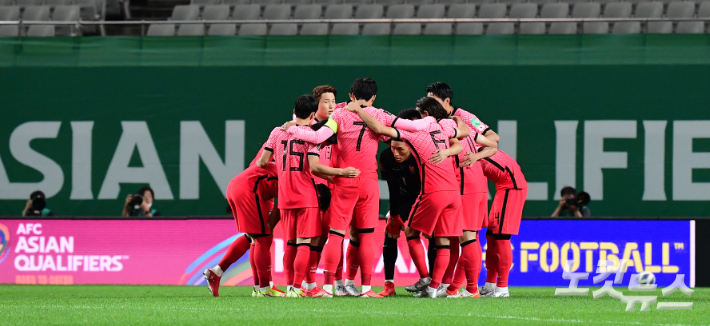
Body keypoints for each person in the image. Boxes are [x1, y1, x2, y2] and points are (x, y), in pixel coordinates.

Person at [284, 78, 438, 298]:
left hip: (345, 179)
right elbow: (412, 126)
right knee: (366, 236)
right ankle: (365, 288)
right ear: (374, 97)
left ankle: (328, 287)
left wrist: (292, 129)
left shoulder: (338, 115)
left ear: (352, 95)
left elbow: (318, 136)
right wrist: (432, 120)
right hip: (368, 182)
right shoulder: (380, 115)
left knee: (336, 235)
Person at [345, 97, 472, 298]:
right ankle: (433, 287)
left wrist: (359, 111)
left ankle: (426, 279)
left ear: (424, 114)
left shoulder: (414, 133)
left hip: (433, 192)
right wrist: (455, 118)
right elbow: (464, 131)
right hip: (453, 193)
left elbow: (380, 128)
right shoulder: (443, 127)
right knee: (443, 241)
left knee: (411, 231)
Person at [257, 94, 360, 298]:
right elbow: (314, 168)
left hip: (285, 197)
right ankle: (299, 288)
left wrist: (284, 170)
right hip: (305, 196)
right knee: (304, 243)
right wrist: (340, 173)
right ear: (313, 114)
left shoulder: (277, 132)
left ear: (295, 111)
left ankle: (289, 288)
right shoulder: (311, 135)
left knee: (290, 243)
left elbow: (262, 163)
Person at [377, 109, 439, 297]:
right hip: (402, 198)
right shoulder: (387, 157)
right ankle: (389, 284)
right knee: (390, 233)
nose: (395, 153)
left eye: (400, 150)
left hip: (426, 197)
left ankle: (433, 283)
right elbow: (393, 187)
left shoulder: (423, 156)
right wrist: (394, 215)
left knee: (434, 238)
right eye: (392, 148)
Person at [460, 143, 528, 298]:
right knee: (491, 236)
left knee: (501, 237)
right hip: (504, 187)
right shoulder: (476, 145)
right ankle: (490, 285)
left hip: (511, 188)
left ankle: (502, 287)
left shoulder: (467, 152)